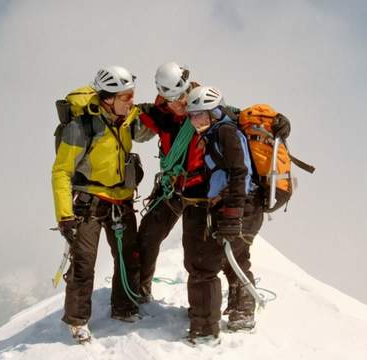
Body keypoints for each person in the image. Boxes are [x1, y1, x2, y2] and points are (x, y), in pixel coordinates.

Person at [52, 65, 154, 343]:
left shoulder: (128, 118)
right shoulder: (81, 126)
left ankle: (125, 308)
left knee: (128, 256)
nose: (131, 100)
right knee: (84, 263)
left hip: (121, 200)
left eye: (132, 95)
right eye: (126, 96)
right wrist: (64, 215)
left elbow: (146, 133)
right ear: (109, 98)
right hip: (89, 203)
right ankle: (77, 320)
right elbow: (61, 171)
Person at [187, 86, 290, 335]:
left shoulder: (226, 132)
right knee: (235, 257)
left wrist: (232, 212)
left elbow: (240, 171)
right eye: (192, 116)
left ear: (215, 112)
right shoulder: (215, 131)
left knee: (212, 263)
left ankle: (212, 324)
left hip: (243, 206)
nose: (195, 121)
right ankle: (239, 311)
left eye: (200, 115)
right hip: (238, 205)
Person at [136, 62, 209, 303]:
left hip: (202, 191)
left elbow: (237, 118)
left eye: (181, 96)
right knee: (147, 235)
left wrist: (272, 121)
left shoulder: (208, 107)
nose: (179, 104)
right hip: (172, 187)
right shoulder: (161, 113)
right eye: (171, 99)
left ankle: (207, 309)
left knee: (200, 251)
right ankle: (139, 291)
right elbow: (125, 117)